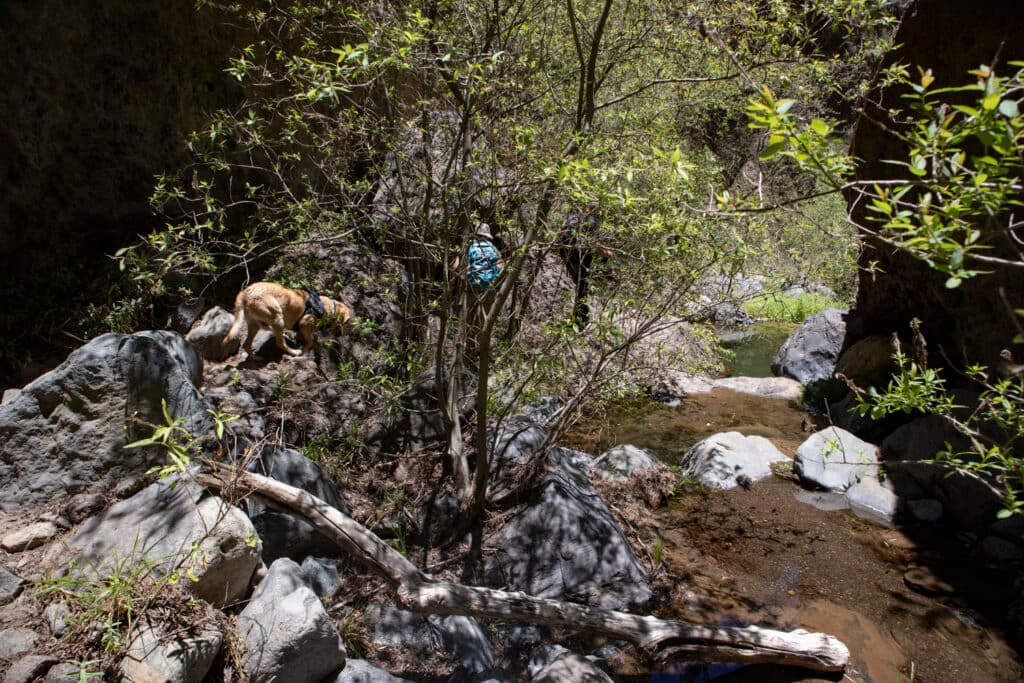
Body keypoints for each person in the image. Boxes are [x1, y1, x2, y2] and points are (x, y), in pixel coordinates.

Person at [559, 204, 611, 327]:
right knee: (582, 287)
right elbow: (595, 245)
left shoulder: (571, 217)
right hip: (581, 256)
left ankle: (580, 317)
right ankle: (581, 320)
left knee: (580, 285)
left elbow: (560, 234)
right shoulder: (592, 222)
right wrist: (607, 254)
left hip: (566, 254)